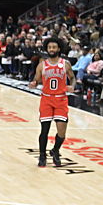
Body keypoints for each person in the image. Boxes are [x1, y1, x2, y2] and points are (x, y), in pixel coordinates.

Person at [29, 37, 75, 167]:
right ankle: (42, 155)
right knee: (45, 130)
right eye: (49, 47)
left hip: (61, 99)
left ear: (59, 48)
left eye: (54, 47)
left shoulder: (65, 64)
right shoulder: (42, 65)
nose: (51, 49)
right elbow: (36, 80)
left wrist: (72, 85)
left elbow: (72, 78)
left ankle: (55, 150)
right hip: (47, 98)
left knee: (62, 132)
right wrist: (34, 83)